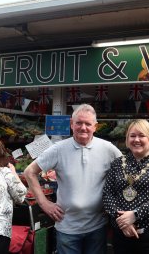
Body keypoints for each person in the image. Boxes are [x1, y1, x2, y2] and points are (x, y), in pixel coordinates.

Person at [24, 103, 122, 254]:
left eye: (88, 124)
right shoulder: (58, 149)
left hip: (97, 226)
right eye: (79, 123)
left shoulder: (108, 149)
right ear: (71, 124)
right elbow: (29, 172)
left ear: (95, 126)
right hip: (67, 228)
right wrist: (44, 203)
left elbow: (126, 174)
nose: (83, 128)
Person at [103, 119, 149, 254]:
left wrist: (136, 215)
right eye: (132, 135)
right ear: (127, 139)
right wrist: (123, 221)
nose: (137, 140)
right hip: (123, 234)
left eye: (142, 135)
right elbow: (108, 194)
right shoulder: (117, 163)